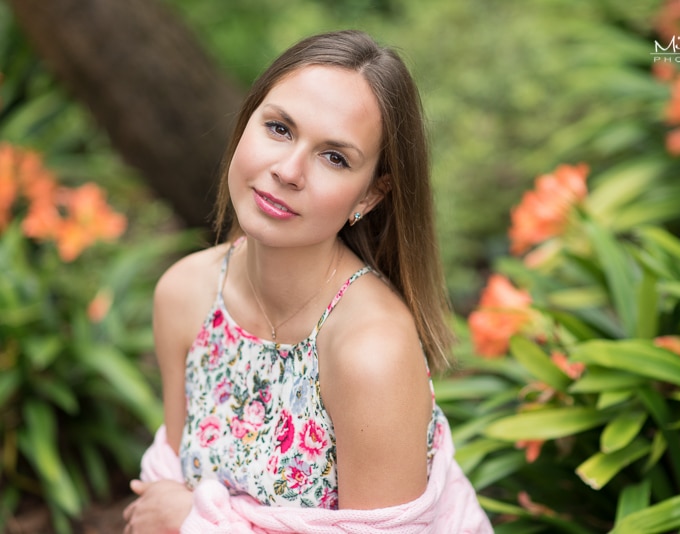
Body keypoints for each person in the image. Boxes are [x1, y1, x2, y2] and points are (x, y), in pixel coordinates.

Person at [123, 29, 491, 533]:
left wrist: (195, 523)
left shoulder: (369, 353)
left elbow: (174, 513)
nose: (289, 170)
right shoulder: (186, 293)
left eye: (334, 157)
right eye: (278, 128)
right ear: (245, 121)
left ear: (370, 196)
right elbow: (164, 488)